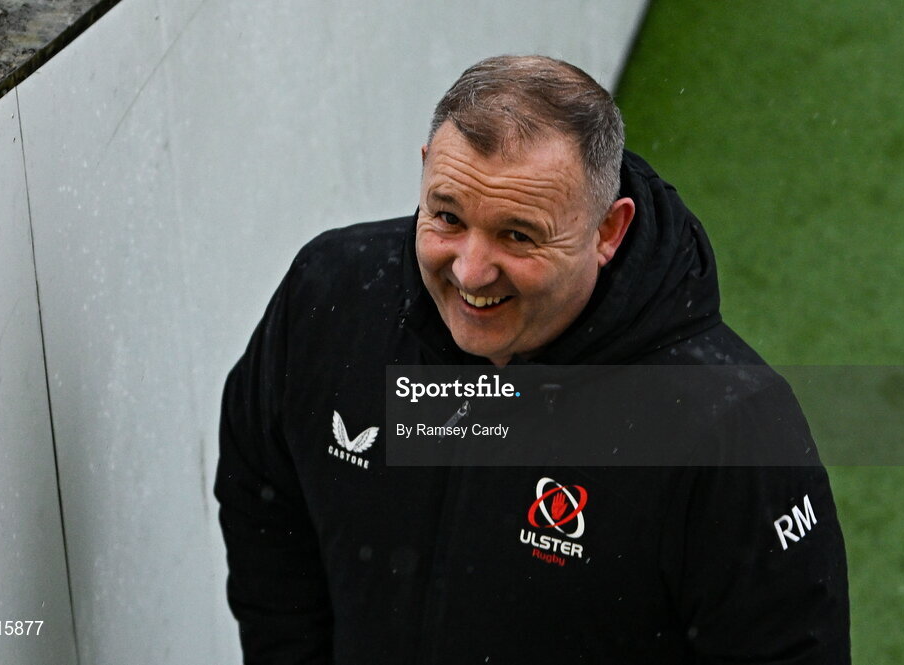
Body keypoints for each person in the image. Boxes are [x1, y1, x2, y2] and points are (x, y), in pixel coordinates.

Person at [216, 55, 850, 663]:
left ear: (608, 231)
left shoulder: (730, 423)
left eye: (517, 234)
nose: (469, 270)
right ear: (425, 169)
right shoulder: (331, 296)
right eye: (447, 216)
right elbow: (263, 504)